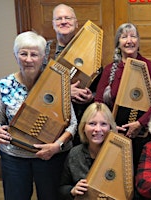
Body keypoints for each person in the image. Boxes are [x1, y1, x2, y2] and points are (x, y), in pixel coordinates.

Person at [0, 31, 77, 200]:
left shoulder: (55, 83)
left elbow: (72, 123)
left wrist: (56, 146)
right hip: (13, 158)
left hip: (50, 157)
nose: (28, 59)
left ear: (43, 57)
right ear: (15, 56)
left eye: (34, 54)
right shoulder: (5, 85)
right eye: (23, 53)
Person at [94, 23, 151, 173]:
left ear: (138, 41)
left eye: (133, 36)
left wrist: (140, 123)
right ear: (118, 43)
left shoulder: (150, 67)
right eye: (124, 37)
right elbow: (99, 102)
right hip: (115, 134)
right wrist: (110, 126)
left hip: (144, 135)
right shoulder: (110, 70)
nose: (129, 40)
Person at [45, 4, 101, 145]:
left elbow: (99, 89)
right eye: (58, 19)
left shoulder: (91, 52)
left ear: (76, 23)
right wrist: (65, 92)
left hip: (82, 119)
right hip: (52, 120)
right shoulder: (44, 52)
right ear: (53, 24)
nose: (63, 21)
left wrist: (91, 97)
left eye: (68, 18)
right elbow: (35, 87)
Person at [59, 102, 117, 199]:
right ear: (83, 128)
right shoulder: (75, 153)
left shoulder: (118, 155)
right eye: (92, 124)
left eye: (103, 124)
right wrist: (72, 190)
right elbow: (62, 187)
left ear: (110, 127)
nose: (98, 129)